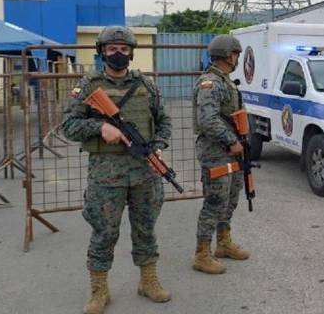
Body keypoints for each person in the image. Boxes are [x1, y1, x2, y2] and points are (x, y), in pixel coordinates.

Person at [62, 26, 172, 314]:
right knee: (104, 233)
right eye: (112, 49)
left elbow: (164, 122)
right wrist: (101, 127)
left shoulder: (147, 85)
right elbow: (69, 126)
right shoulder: (88, 86)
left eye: (124, 49)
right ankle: (99, 291)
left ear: (132, 52)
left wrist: (158, 145)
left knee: (146, 230)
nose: (119, 54)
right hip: (106, 175)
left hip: (145, 173)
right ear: (102, 52)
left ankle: (148, 281)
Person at [192, 35, 250, 275]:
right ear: (229, 56)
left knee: (230, 198)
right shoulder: (210, 83)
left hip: (231, 152)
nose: (237, 59)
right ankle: (202, 254)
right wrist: (231, 141)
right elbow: (208, 120)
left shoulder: (225, 81)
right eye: (236, 54)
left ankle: (223, 243)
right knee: (215, 202)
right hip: (216, 152)